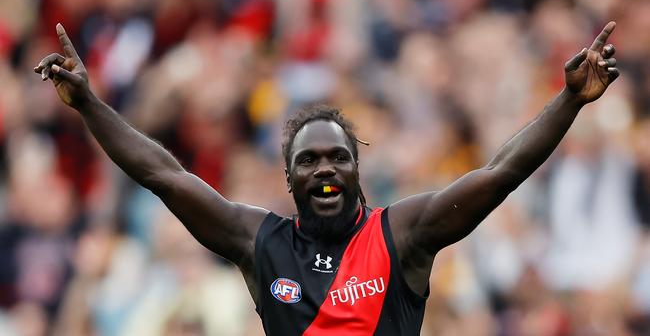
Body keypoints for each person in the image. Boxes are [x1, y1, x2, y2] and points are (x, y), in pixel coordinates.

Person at [34, 21, 619, 335]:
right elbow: (163, 175)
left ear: (357, 168)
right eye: (308, 162)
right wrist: (88, 104)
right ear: (290, 181)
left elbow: (500, 172)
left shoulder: (403, 234)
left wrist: (569, 101)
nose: (324, 170)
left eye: (337, 158)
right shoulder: (258, 242)